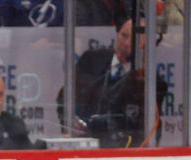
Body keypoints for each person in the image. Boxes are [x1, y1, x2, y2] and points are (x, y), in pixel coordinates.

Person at [58, 16, 168, 148]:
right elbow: (64, 96)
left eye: (134, 40)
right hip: (83, 146)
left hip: (119, 151)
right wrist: (70, 122)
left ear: (145, 45)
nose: (126, 44)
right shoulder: (91, 60)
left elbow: (146, 128)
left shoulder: (149, 81)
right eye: (124, 35)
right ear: (117, 33)